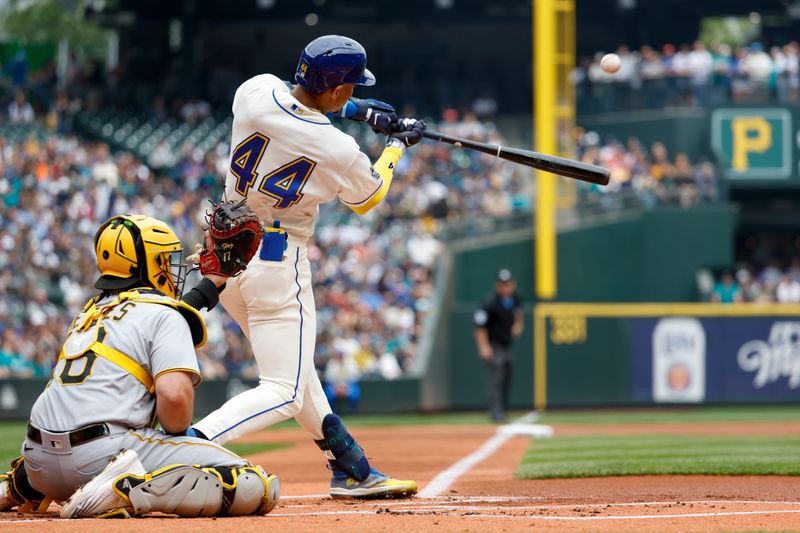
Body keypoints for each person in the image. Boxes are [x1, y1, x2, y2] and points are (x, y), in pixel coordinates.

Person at [188, 35, 423, 498]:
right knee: (285, 389)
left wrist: (357, 109)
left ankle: (352, 468)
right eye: (351, 88)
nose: (353, 94)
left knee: (296, 373)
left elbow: (299, 105)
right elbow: (369, 196)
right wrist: (396, 145)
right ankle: (184, 446)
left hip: (222, 255)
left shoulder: (253, 92)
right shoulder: (337, 149)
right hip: (276, 259)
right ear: (336, 91)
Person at [0, 215, 280, 518]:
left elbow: (164, 313)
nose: (170, 267)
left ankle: (15, 488)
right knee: (257, 485)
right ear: (147, 265)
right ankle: (124, 490)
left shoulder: (88, 312)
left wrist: (212, 283)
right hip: (102, 456)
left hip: (39, 465)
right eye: (163, 258)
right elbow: (174, 409)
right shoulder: (164, 315)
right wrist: (182, 436)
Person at [473, 269, 523, 423]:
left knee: (507, 376)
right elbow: (479, 326)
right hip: (494, 345)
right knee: (496, 378)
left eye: (508, 284)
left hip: (507, 345)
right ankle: (495, 412)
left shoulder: (514, 298)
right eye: (503, 284)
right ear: (497, 285)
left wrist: (518, 324)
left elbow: (518, 313)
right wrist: (483, 347)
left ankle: (503, 410)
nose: (506, 287)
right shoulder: (489, 302)